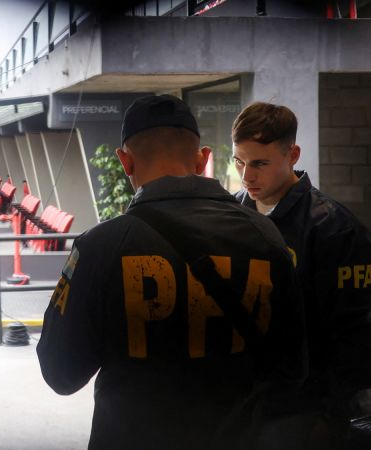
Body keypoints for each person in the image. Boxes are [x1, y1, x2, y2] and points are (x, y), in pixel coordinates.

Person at [36, 95, 307, 450]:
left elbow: (61, 374)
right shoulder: (266, 236)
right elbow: (292, 370)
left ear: (125, 161)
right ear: (202, 159)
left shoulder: (101, 246)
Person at [232, 102, 371, 446]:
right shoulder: (229, 216)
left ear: (293, 155)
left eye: (259, 163)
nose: (246, 176)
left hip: (304, 412)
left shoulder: (335, 230)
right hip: (242, 406)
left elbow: (356, 341)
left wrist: (329, 416)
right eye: (239, 161)